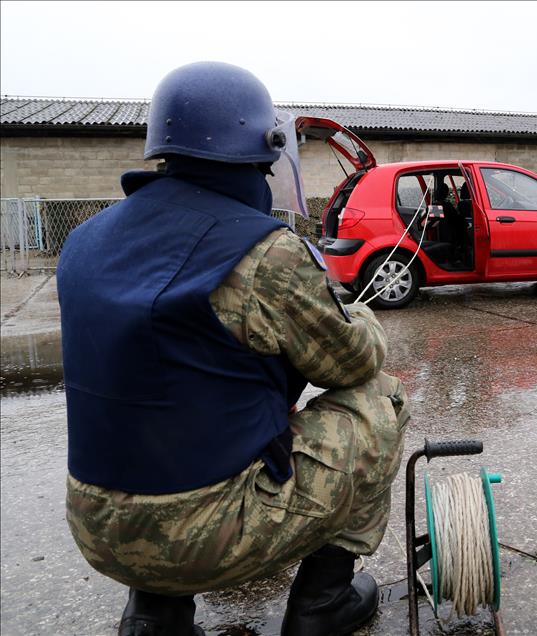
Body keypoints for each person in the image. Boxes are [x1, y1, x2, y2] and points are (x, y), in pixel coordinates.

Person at [56, 61, 410, 636]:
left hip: (96, 529)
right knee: (381, 400)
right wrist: (363, 317)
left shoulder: (84, 241)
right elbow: (353, 363)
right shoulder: (266, 253)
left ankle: (154, 616)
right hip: (201, 538)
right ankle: (323, 602)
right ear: (260, 153)